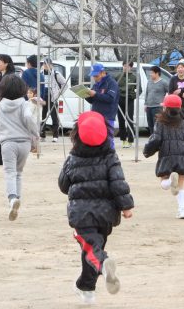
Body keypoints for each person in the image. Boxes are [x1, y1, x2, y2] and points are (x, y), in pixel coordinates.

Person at [58, 111, 134, 304]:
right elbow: (118, 183)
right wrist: (126, 207)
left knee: (92, 250)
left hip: (81, 214)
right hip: (106, 214)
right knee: (92, 249)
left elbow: (63, 185)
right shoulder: (111, 156)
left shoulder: (73, 158)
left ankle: (103, 264)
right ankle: (86, 289)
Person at [143, 94, 184, 219]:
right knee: (180, 185)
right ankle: (182, 210)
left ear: (165, 108)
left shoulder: (160, 123)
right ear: (179, 108)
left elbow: (156, 140)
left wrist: (147, 151)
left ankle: (169, 181)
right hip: (183, 156)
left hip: (167, 156)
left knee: (164, 183)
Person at [0, 75, 38, 221]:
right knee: (19, 173)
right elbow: (28, 118)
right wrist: (35, 135)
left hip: (8, 143)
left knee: (10, 172)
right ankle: (17, 199)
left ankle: (12, 199)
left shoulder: (0, 106)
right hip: (24, 143)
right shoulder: (24, 104)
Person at [84, 63, 119, 149]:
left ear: (103, 73)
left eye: (96, 76)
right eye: (93, 76)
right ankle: (98, 158)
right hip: (96, 115)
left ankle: (111, 158)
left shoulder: (111, 83)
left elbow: (110, 99)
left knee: (108, 139)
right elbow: (92, 100)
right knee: (96, 139)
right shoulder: (96, 84)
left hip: (107, 116)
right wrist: (85, 95)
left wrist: (95, 94)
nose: (95, 78)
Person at [41, 59, 66, 142]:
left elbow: (64, 84)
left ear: (51, 65)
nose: (45, 66)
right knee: (42, 116)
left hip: (52, 97)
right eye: (44, 64)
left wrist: (58, 94)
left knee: (54, 117)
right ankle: (42, 135)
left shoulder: (56, 74)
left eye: (47, 64)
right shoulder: (40, 73)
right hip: (42, 97)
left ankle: (55, 136)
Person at [144, 66, 168, 135]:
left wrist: (165, 103)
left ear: (157, 73)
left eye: (152, 73)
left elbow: (170, 92)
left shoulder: (164, 82)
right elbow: (147, 93)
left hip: (157, 107)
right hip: (149, 107)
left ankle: (158, 141)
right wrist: (146, 104)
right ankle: (152, 140)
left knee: (157, 125)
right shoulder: (149, 82)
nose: (150, 74)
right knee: (150, 125)